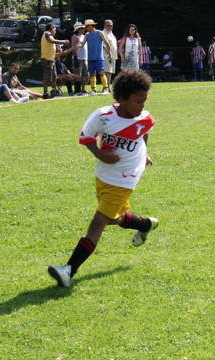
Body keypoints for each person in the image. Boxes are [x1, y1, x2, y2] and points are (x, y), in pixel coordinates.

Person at [48, 69, 158, 288]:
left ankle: (69, 270)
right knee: (112, 218)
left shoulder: (145, 118)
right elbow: (86, 136)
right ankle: (145, 224)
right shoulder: (103, 116)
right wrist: (99, 154)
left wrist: (144, 154)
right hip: (104, 174)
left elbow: (144, 133)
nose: (143, 105)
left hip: (126, 177)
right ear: (122, 99)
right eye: (138, 101)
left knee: (98, 221)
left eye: (144, 100)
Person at [41, 23, 69, 99]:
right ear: (51, 28)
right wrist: (64, 41)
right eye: (55, 29)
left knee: (54, 77)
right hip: (47, 60)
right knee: (47, 77)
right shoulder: (47, 33)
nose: (55, 31)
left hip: (51, 60)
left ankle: (56, 91)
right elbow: (51, 41)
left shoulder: (48, 34)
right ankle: (45, 93)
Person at [84, 19, 112, 96]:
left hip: (99, 57)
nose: (86, 28)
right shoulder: (87, 35)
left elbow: (107, 43)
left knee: (101, 73)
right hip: (90, 58)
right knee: (91, 74)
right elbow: (82, 43)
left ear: (91, 25)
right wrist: (78, 45)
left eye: (87, 26)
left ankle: (105, 89)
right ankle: (93, 90)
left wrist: (109, 53)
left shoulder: (99, 33)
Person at [70, 22, 89, 96]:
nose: (83, 29)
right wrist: (75, 57)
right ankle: (77, 90)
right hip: (78, 58)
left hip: (85, 57)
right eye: (81, 28)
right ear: (78, 29)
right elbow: (73, 48)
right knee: (77, 75)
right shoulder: (74, 37)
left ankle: (83, 89)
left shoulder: (84, 36)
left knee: (85, 74)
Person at [102, 19, 118, 87]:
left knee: (110, 72)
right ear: (104, 26)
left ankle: (108, 86)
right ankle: (106, 87)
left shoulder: (111, 33)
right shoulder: (103, 33)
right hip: (106, 56)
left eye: (111, 26)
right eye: (108, 25)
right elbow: (103, 45)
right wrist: (109, 54)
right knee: (106, 71)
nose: (110, 27)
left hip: (112, 56)